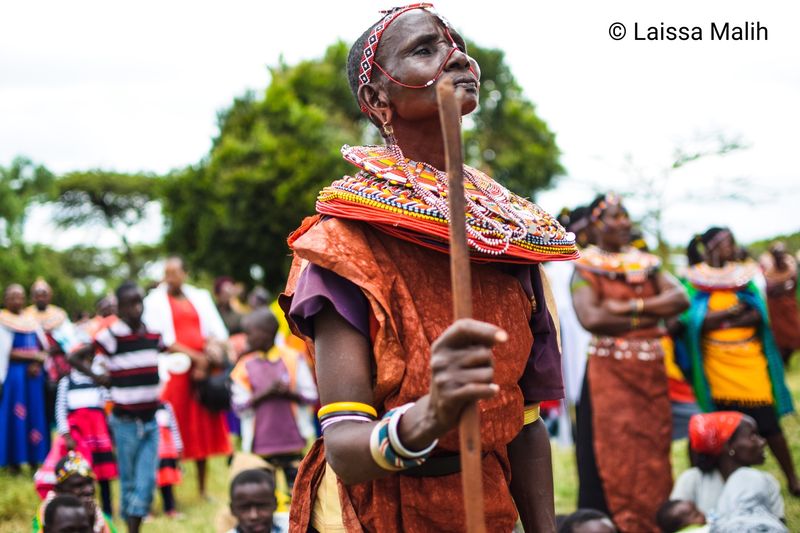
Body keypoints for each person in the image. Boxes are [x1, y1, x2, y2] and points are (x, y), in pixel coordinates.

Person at [280, 4, 578, 531]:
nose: (458, 57)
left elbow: (527, 421)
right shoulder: (343, 244)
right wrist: (430, 416)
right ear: (377, 100)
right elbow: (346, 449)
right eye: (425, 50)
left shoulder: (506, 238)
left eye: (457, 44)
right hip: (373, 512)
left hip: (487, 504)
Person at [571, 193, 689, 532]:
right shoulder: (586, 265)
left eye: (625, 215)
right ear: (595, 224)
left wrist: (627, 309)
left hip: (650, 375)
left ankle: (654, 521)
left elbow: (679, 298)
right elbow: (591, 316)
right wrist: (651, 308)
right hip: (610, 378)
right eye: (614, 216)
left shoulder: (646, 262)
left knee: (652, 450)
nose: (623, 222)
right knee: (613, 453)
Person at [681, 227, 799, 494]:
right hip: (715, 367)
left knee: (768, 423)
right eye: (725, 243)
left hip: (749, 361)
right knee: (715, 426)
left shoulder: (743, 277)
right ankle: (711, 485)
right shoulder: (694, 280)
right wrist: (733, 314)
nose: (731, 248)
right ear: (710, 247)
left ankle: (792, 478)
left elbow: (758, 313)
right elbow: (691, 320)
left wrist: (721, 319)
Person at [69, 281, 162, 533]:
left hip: (151, 418)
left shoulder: (153, 332)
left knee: (148, 479)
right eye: (129, 304)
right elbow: (74, 357)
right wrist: (97, 376)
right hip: (126, 420)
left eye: (139, 302)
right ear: (119, 309)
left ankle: (134, 524)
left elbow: (162, 355)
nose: (136, 308)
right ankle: (132, 528)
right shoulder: (112, 336)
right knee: (130, 479)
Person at [142, 256, 232, 497]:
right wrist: (195, 356)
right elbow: (161, 339)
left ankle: (202, 489)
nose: (170, 278)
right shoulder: (155, 301)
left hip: (202, 373)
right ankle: (167, 491)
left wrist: (208, 353)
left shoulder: (199, 297)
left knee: (201, 428)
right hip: (175, 372)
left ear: (185, 273)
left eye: (175, 273)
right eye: (167, 273)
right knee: (171, 429)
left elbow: (216, 331)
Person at [230, 308, 317, 490]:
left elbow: (311, 396)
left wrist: (289, 393)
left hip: (293, 441)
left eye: (249, 334)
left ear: (267, 333)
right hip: (259, 445)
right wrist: (265, 394)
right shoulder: (244, 366)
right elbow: (238, 406)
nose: (246, 339)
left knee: (296, 490)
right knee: (264, 490)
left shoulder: (293, 359)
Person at [55, 348, 117, 517]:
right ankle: (78, 508)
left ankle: (107, 511)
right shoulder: (67, 381)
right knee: (80, 472)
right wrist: (66, 435)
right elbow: (60, 409)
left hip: (98, 432)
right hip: (79, 434)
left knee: (104, 475)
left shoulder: (98, 380)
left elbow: (108, 404)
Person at [0, 283, 49, 471]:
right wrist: (33, 356)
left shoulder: (31, 321)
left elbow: (44, 348)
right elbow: (5, 352)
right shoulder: (3, 320)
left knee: (35, 415)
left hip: (33, 378)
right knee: (15, 416)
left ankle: (35, 458)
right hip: (14, 377)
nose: (16, 300)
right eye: (12, 297)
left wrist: (37, 363)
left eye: (19, 296)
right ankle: (13, 462)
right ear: (5, 300)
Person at [25, 278, 81, 429]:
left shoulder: (59, 315)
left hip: (58, 369)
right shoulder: (25, 315)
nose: (40, 297)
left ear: (50, 296)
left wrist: (55, 349)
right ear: (32, 297)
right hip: (34, 368)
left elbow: (70, 342)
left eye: (44, 294)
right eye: (37, 294)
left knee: (58, 405)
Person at [33, 451, 116, 533]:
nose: (89, 490)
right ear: (59, 490)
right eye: (79, 485)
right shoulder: (48, 515)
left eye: (90, 482)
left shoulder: (100, 517)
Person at [759, 242, 800, 364]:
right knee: (781, 339)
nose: (780, 256)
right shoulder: (769, 273)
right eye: (777, 254)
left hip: (790, 309)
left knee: (795, 334)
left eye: (781, 253)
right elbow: (771, 291)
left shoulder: (791, 268)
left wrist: (783, 288)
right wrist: (784, 287)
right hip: (777, 312)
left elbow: (793, 286)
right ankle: (783, 362)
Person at [227, 468, 283, 533]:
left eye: (262, 506)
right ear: (233, 509)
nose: (254, 516)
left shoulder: (294, 524)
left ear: (275, 504)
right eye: (245, 508)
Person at [155, 401, 183, 518]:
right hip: (152, 448)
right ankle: (146, 511)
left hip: (167, 448)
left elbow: (174, 426)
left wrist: (178, 446)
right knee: (149, 480)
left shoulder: (166, 406)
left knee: (167, 479)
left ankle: (170, 508)